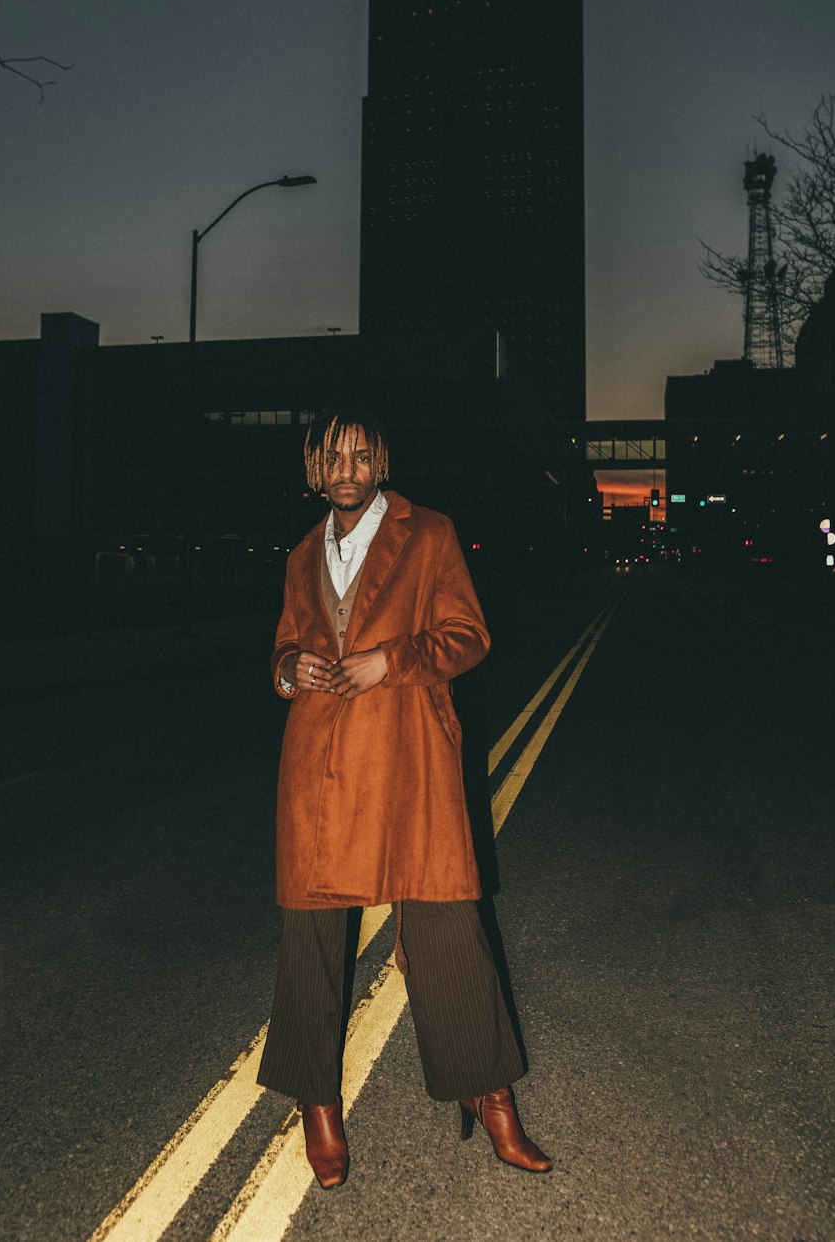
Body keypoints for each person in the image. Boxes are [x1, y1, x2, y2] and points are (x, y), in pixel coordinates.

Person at [257, 408, 551, 1188]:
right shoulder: (297, 557)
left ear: (380, 463)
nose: (347, 466)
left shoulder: (429, 535)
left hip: (410, 758)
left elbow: (469, 636)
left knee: (447, 925)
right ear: (315, 470)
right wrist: (292, 669)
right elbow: (284, 647)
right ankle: (317, 1105)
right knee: (313, 941)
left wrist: (393, 660)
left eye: (360, 454)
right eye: (333, 456)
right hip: (318, 769)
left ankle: (489, 1095)